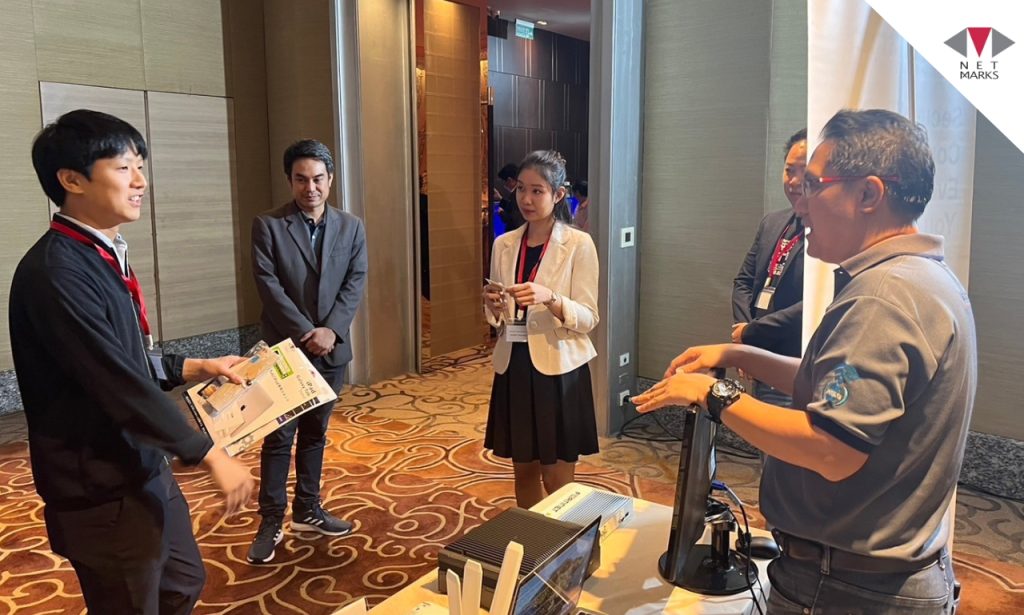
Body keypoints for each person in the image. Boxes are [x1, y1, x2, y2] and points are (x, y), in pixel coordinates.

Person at [633, 109, 972, 614]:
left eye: (813, 184)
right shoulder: (915, 277)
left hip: (847, 587)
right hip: (869, 576)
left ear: (869, 194)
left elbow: (831, 449)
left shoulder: (882, 297)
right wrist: (740, 354)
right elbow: (835, 387)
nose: (800, 201)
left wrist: (712, 392)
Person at [10, 109, 255, 614]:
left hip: (140, 463)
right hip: (99, 483)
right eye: (123, 168)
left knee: (181, 582)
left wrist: (197, 367)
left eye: (140, 166)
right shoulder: (57, 272)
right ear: (72, 180)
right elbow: (116, 381)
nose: (140, 181)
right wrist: (209, 454)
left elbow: (128, 356)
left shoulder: (101, 252)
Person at [248, 139, 368, 564]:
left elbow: (355, 280)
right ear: (290, 181)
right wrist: (306, 332)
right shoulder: (268, 225)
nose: (310, 188)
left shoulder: (351, 226)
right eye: (301, 179)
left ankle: (307, 509)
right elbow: (268, 285)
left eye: (318, 179)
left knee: (316, 433)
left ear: (330, 179)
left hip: (330, 350)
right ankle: (270, 520)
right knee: (279, 437)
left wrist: (331, 330)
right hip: (285, 348)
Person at [482, 150, 600, 509]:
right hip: (515, 366)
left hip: (559, 371)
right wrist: (493, 307)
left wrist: (551, 298)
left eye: (537, 191)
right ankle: (531, 539)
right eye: (521, 189)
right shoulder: (504, 244)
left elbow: (588, 317)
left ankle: (568, 541)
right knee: (524, 475)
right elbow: (498, 318)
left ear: (558, 194)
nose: (527, 199)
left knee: (557, 480)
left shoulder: (578, 244)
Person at [731, 129, 807, 406]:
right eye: (789, 170)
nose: (794, 181)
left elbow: (816, 304)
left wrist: (753, 334)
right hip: (758, 352)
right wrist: (746, 337)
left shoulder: (832, 232)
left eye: (805, 172)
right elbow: (743, 281)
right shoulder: (773, 222)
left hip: (796, 361)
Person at [494, 162, 525, 231]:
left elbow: (513, 219)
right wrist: (500, 199)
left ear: (510, 180)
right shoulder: (520, 192)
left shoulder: (516, 194)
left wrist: (501, 212)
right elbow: (512, 206)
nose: (503, 185)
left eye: (503, 181)